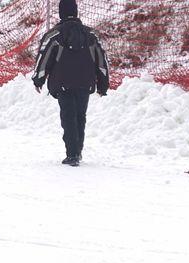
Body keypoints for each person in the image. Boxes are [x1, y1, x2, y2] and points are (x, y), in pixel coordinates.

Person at [32, 0, 109, 167]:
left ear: (61, 13)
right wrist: (103, 85)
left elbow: (43, 58)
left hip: (63, 83)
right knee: (80, 116)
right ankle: (78, 151)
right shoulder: (91, 35)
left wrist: (38, 79)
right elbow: (102, 61)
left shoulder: (54, 35)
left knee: (68, 117)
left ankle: (72, 154)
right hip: (85, 83)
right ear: (76, 12)